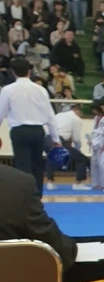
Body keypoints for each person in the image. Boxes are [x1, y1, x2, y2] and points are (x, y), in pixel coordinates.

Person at [0, 58, 58, 195]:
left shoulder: (8, 90)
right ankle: (37, 197)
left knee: (22, 165)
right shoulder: (41, 89)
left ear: (12, 72)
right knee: (37, 165)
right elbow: (50, 115)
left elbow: (0, 113)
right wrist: (56, 138)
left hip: (19, 131)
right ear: (29, 71)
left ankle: (24, 197)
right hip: (38, 131)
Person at [48, 102, 90, 189]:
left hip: (47, 138)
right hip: (60, 139)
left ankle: (50, 182)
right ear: (78, 110)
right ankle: (78, 183)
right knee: (81, 158)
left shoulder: (59, 115)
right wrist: (78, 148)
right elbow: (76, 138)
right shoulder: (76, 119)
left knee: (51, 158)